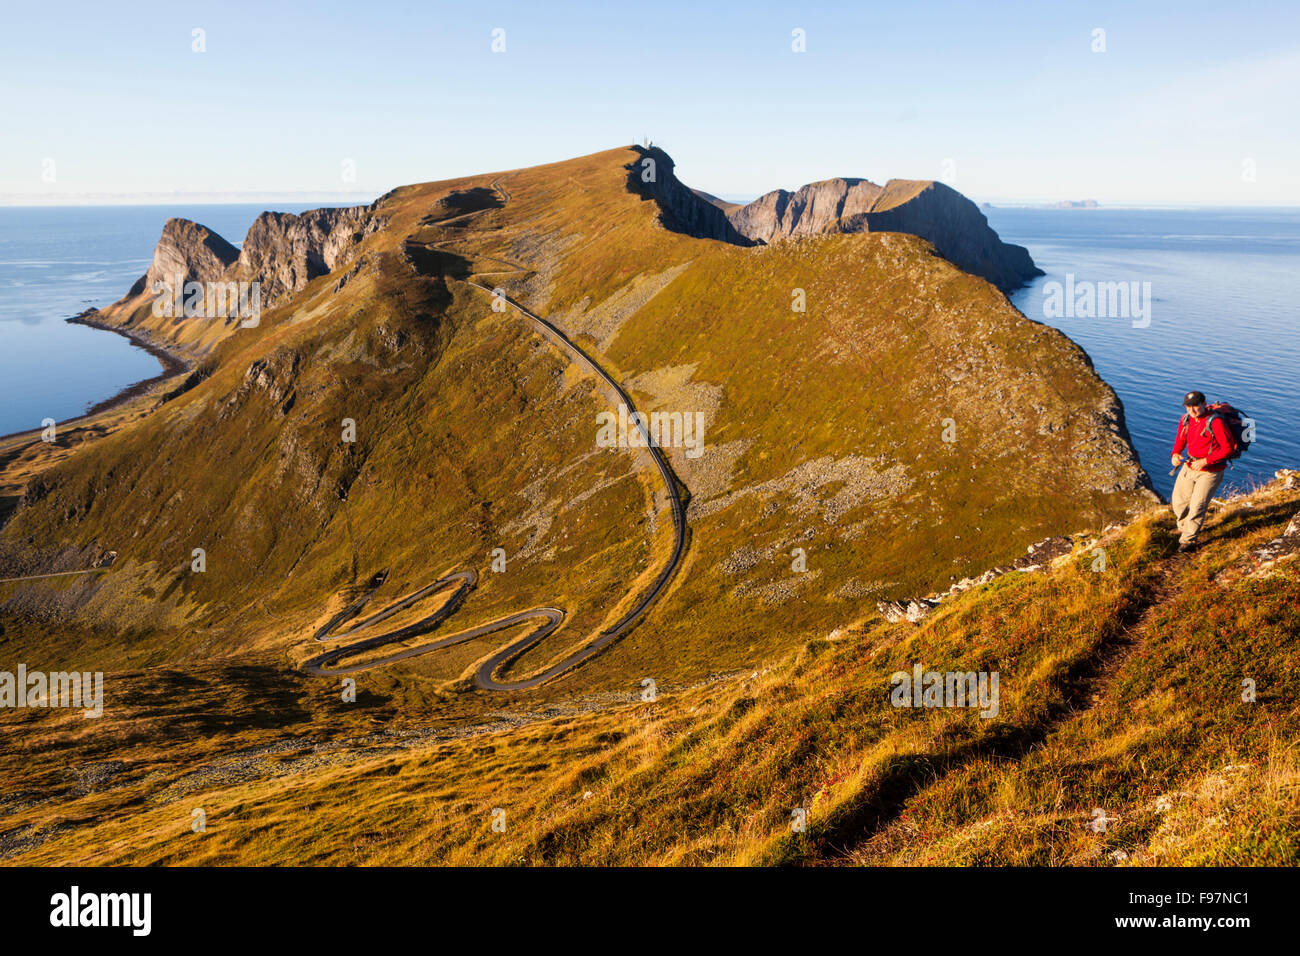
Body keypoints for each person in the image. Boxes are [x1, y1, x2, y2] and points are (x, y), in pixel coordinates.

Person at [1169, 390, 1235, 552]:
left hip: (1211, 470)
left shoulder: (1215, 422)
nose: (1191, 410)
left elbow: (1228, 449)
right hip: (1189, 466)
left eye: (1195, 406)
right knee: (1179, 503)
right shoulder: (1185, 420)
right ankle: (1186, 528)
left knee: (1197, 505)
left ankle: (1188, 541)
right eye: (1188, 406)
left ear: (1204, 404)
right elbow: (1180, 441)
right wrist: (1175, 454)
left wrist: (1206, 461)